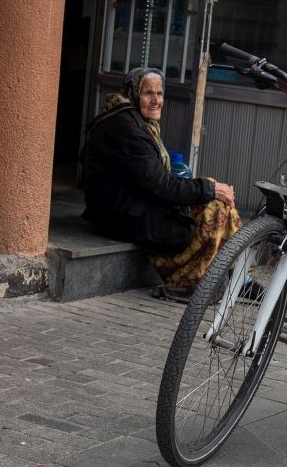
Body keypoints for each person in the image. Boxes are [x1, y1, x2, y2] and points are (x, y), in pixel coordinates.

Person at [80, 67, 241, 301]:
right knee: (216, 207)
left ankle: (233, 277)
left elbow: (152, 178)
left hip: (135, 204)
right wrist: (210, 189)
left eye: (160, 93)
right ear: (134, 93)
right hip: (118, 216)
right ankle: (190, 283)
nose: (156, 100)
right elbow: (160, 185)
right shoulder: (125, 127)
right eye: (148, 93)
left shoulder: (133, 119)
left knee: (215, 196)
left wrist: (210, 188)